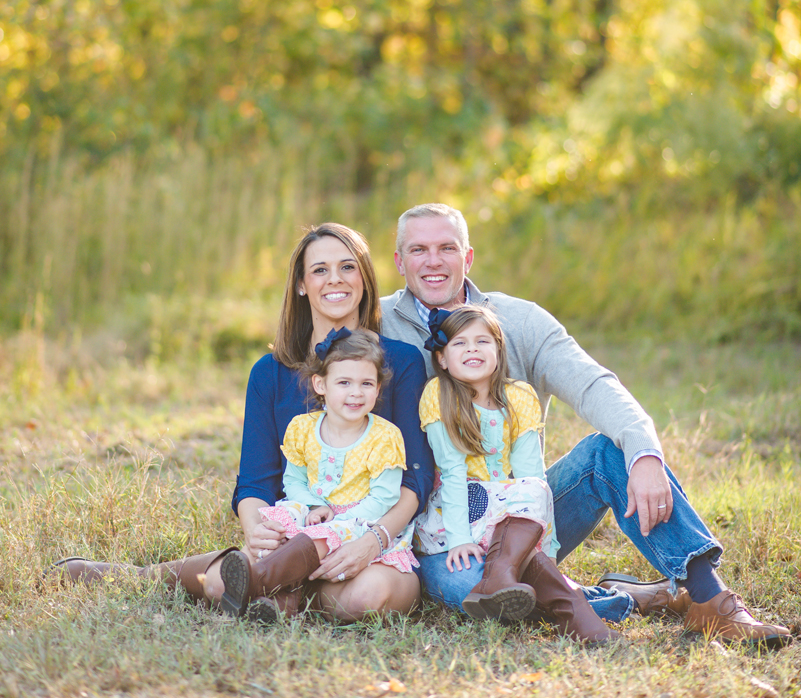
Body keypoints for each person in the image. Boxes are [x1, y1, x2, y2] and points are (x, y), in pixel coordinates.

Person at [381, 203, 793, 647]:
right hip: (437, 527)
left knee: (606, 454)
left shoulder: (519, 320)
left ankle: (710, 599)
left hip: (520, 509)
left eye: (447, 247)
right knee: (473, 592)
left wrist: (644, 452)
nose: (434, 261)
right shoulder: (378, 322)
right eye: (418, 249)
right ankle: (626, 598)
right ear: (400, 262)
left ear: (468, 257)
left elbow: (592, 384)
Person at [54, 223, 434, 624]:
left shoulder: (401, 362)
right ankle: (143, 578)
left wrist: (373, 542)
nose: (335, 279)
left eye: (347, 267)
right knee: (230, 578)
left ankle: (270, 593)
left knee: (366, 599)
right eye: (319, 270)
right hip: (298, 532)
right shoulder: (270, 373)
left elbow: (417, 479)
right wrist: (256, 530)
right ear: (302, 285)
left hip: (373, 535)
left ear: (365, 279)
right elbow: (255, 481)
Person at [415, 305, 618, 643]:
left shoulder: (519, 397)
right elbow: (451, 473)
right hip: (458, 515)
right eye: (459, 344)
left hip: (508, 521)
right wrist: (460, 539)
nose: (472, 350)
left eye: (482, 341)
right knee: (470, 582)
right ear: (442, 359)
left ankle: (518, 584)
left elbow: (531, 477)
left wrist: (547, 546)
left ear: (498, 350)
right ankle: (579, 606)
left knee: (535, 488)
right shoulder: (439, 395)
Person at [218, 326, 417, 622]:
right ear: (320, 384)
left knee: (320, 538)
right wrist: (311, 505)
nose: (355, 393)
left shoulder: (385, 437)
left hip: (360, 520)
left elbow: (385, 496)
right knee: (282, 522)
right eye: (344, 382)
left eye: (366, 384)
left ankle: (257, 581)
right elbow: (293, 480)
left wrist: (340, 520)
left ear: (377, 389)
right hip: (316, 510)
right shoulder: (302, 428)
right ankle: (281, 602)